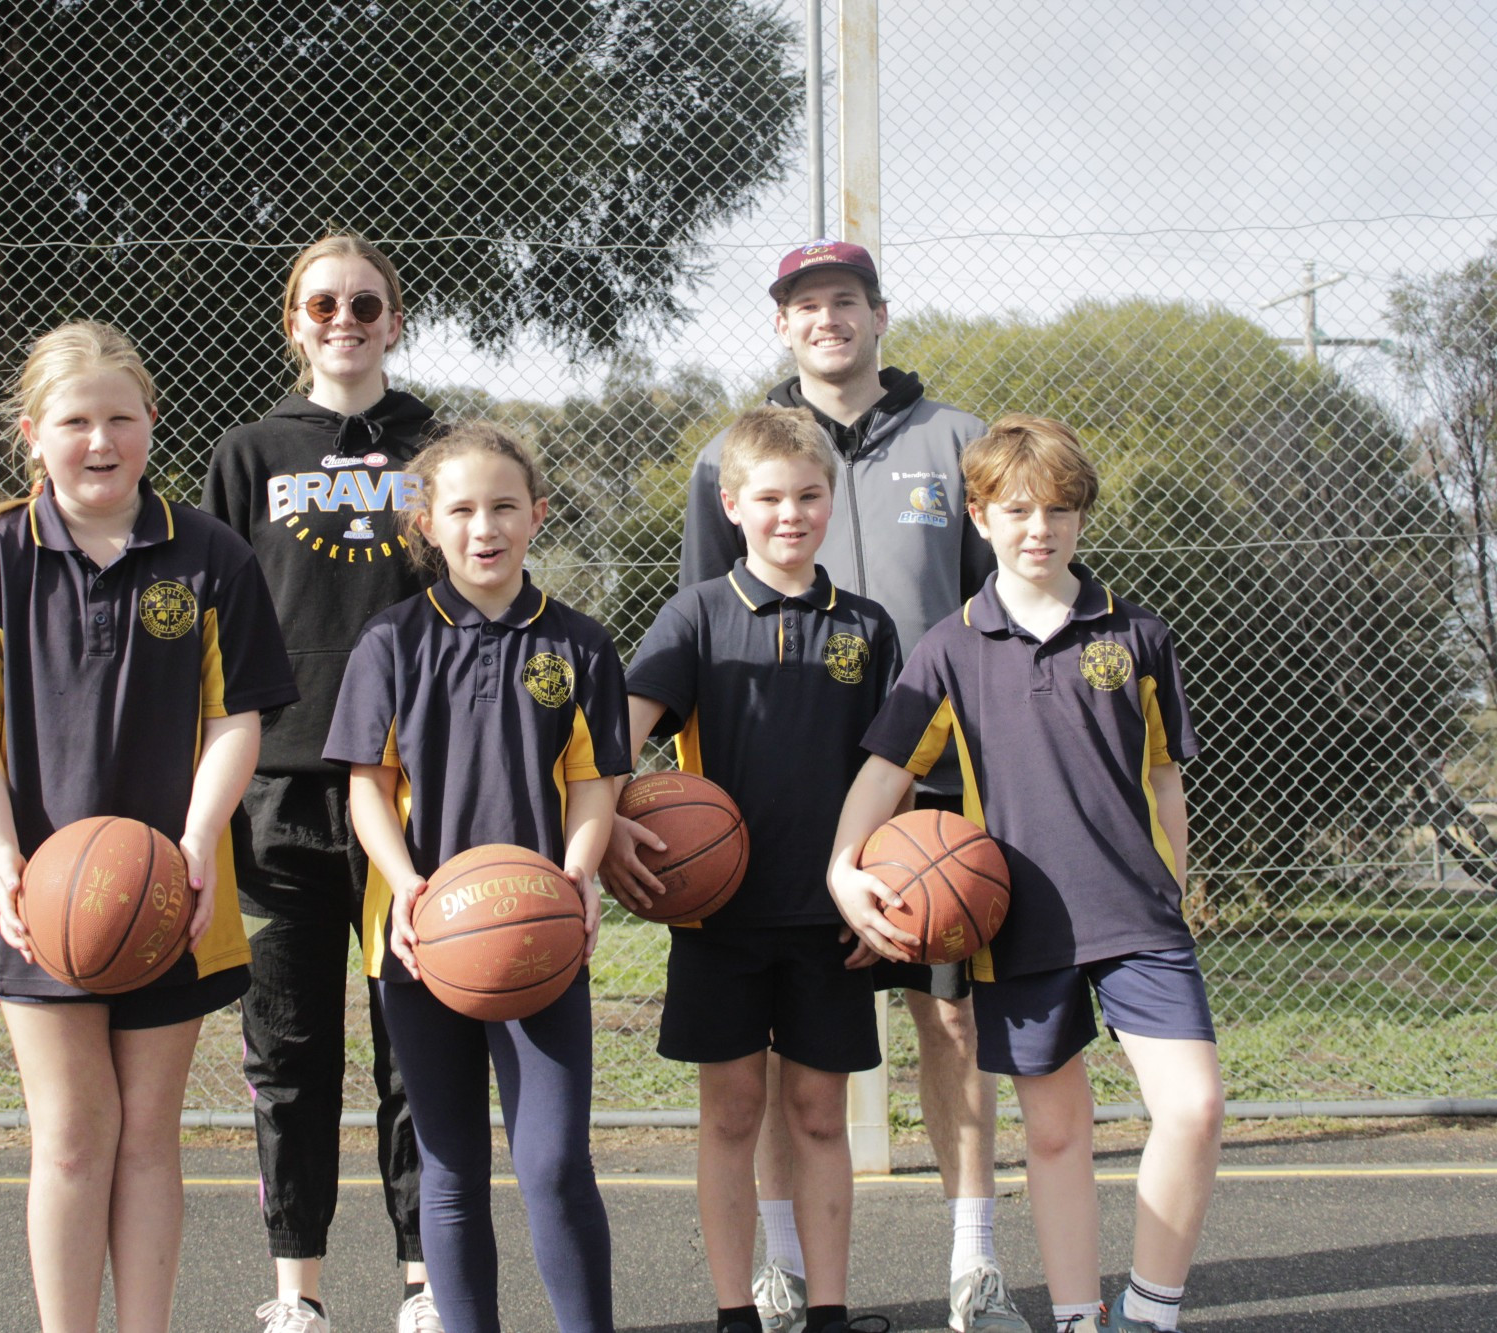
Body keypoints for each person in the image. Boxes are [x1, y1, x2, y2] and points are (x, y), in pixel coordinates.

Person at [0, 320, 298, 1333]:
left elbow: (233, 719)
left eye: (120, 417)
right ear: (33, 432)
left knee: (148, 1138)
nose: (100, 438)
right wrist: (2, 860)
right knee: (72, 1138)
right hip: (44, 895)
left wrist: (198, 841)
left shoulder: (209, 553)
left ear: (151, 423)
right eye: (75, 420)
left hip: (175, 886)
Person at [666, 239, 1021, 1333]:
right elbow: (699, 632)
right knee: (777, 1068)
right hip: (776, 804)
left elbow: (993, 622)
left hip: (929, 798)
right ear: (780, 324)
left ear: (877, 313)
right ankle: (776, 1269)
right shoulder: (732, 453)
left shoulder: (954, 441)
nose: (826, 319)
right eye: (804, 305)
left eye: (845, 301)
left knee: (948, 1029)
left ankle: (973, 1261)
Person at [829, 416, 1223, 1333]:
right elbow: (884, 772)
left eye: (1058, 509)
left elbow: (1164, 777)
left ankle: (1151, 1310)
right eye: (1016, 510)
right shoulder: (949, 647)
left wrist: (1179, 887)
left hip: (1139, 917)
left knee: (1195, 1108)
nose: (1038, 527)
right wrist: (844, 869)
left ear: (1082, 517)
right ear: (978, 516)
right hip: (1022, 924)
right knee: (1056, 1132)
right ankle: (1080, 1318)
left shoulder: (1139, 635)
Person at [324, 422, 628, 1333]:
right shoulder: (391, 641)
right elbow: (367, 790)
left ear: (536, 516)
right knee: (450, 1170)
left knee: (553, 1164)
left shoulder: (579, 643)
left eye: (504, 507)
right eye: (461, 509)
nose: (484, 526)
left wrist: (577, 875)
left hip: (538, 934)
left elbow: (592, 785)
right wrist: (407, 883)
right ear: (426, 522)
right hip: (424, 940)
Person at [602, 408, 899, 1333]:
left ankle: (830, 1311)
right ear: (732, 504)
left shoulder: (867, 626)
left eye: (809, 495)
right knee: (730, 1112)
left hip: (829, 912)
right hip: (718, 912)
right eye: (769, 497)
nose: (790, 514)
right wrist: (606, 819)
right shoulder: (697, 613)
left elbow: (891, 777)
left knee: (818, 1113)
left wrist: (881, 890)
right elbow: (621, 733)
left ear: (830, 500)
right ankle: (735, 1310)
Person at [202, 233, 438, 1333]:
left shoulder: (439, 442)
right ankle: (294, 1288)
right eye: (321, 304)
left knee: (416, 1044)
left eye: (365, 303)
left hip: (409, 788)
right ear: (291, 322)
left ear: (395, 318)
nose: (343, 319)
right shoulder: (248, 453)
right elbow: (215, 621)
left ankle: (423, 1279)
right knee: (287, 1049)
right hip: (282, 789)